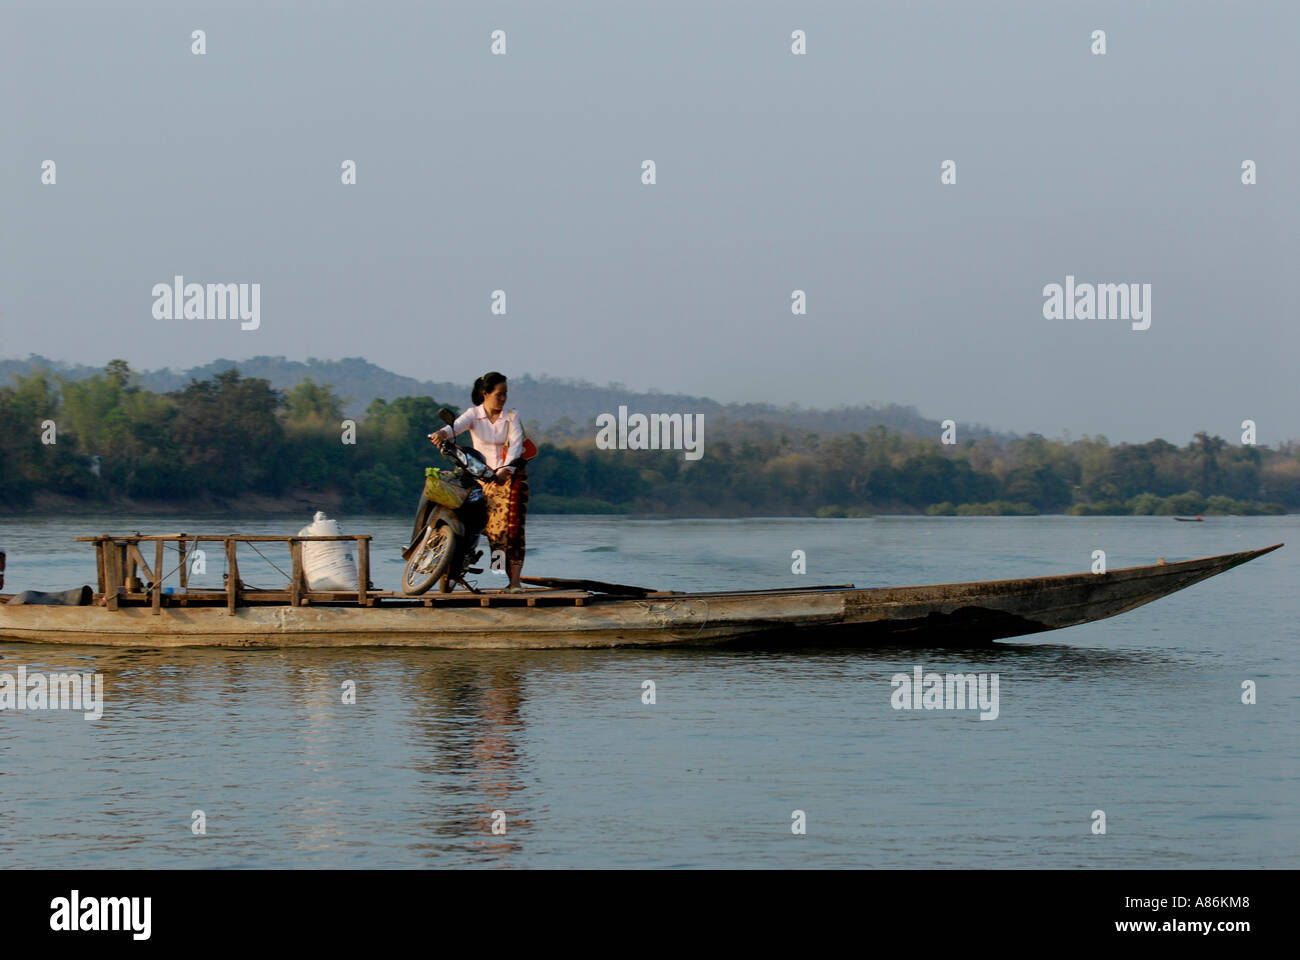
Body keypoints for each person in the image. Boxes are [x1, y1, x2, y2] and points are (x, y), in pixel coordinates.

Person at [430, 372, 530, 592]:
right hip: (482, 477)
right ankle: (456, 564)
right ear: (485, 393)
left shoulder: (512, 417)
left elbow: (516, 445)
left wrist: (506, 469)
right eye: (498, 395)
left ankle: (514, 583)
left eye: (505, 395)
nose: (503, 399)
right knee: (484, 527)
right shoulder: (474, 415)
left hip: (510, 479)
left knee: (511, 530)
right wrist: (441, 434)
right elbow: (454, 427)